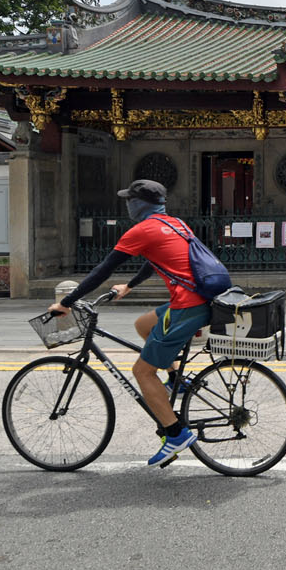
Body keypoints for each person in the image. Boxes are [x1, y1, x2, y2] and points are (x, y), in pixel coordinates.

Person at [48, 178, 211, 465]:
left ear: (139, 204)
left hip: (187, 307)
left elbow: (103, 270)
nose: (126, 204)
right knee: (142, 325)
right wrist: (130, 286)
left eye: (129, 200)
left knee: (142, 372)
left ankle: (175, 434)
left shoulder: (142, 230)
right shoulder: (174, 223)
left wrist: (66, 302)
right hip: (195, 301)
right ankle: (176, 380)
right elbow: (154, 261)